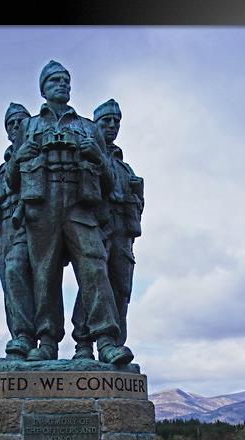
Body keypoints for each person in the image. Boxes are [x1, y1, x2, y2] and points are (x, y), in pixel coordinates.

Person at [6, 61, 134, 364]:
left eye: (66, 80)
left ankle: (105, 341)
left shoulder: (88, 127)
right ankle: (47, 341)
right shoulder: (30, 126)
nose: (61, 84)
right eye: (54, 81)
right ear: (43, 88)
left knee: (94, 268)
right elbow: (13, 181)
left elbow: (110, 181)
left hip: (80, 208)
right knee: (44, 275)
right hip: (42, 207)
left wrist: (98, 157)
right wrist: (18, 159)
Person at [71, 99, 144, 358]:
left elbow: (138, 203)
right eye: (106, 121)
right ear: (95, 125)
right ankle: (84, 344)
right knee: (93, 282)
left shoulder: (125, 168)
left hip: (123, 233)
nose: (112, 126)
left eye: (116, 121)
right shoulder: (86, 154)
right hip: (97, 227)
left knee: (121, 289)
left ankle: (114, 346)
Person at [0, 102, 36, 359]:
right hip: (4, 227)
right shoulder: (4, 165)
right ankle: (20, 339)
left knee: (23, 274)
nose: (16, 127)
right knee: (10, 285)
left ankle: (33, 336)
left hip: (30, 223)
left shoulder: (35, 154)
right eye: (11, 123)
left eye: (20, 122)